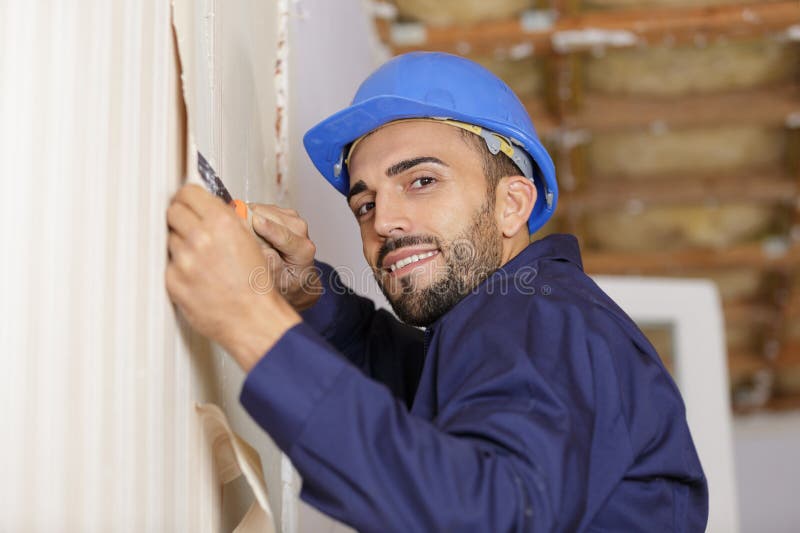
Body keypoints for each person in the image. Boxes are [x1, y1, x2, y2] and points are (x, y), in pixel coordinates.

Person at [166, 52, 708, 531]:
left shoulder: (540, 312)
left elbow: (482, 513)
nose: (385, 221)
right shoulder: (500, 335)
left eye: (421, 181)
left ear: (511, 205)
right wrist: (306, 296)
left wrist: (247, 319)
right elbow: (405, 388)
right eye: (364, 204)